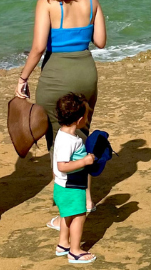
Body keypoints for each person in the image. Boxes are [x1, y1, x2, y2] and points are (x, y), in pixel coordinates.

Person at [15, 0, 106, 229]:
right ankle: (87, 199)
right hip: (86, 73)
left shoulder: (46, 4)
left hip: (56, 76)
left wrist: (23, 77)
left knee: (59, 145)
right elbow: (100, 42)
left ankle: (69, 211)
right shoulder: (91, 0)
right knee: (82, 136)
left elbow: (39, 48)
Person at [52, 93, 98, 264]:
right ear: (79, 120)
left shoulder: (63, 135)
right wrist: (85, 161)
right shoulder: (68, 141)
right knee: (78, 216)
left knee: (67, 215)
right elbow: (62, 165)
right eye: (86, 115)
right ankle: (75, 251)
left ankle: (63, 244)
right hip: (70, 187)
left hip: (62, 187)